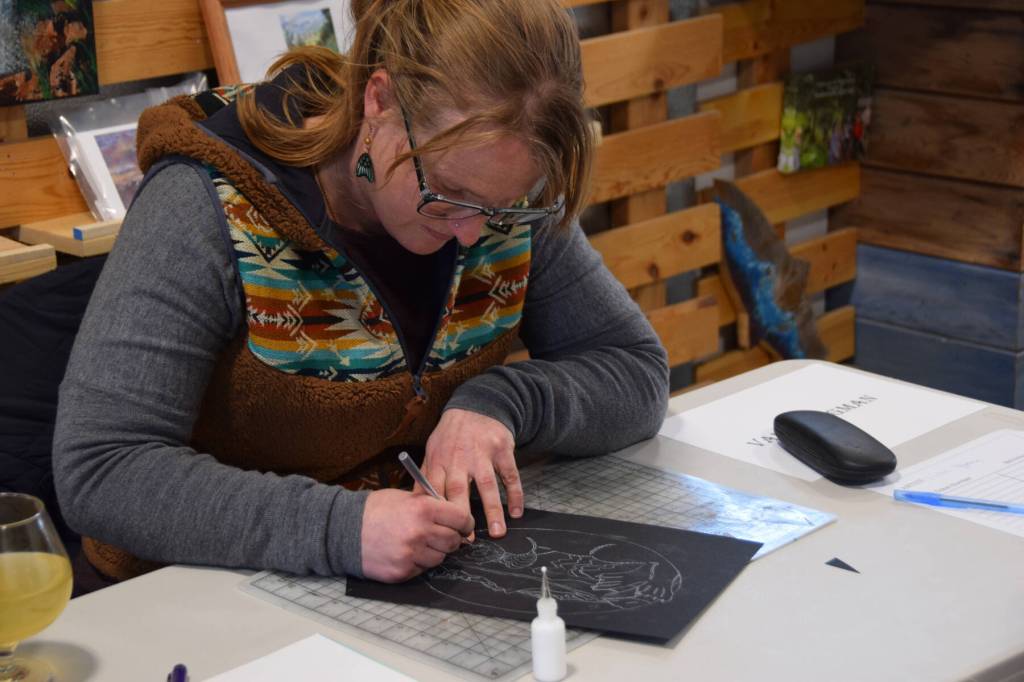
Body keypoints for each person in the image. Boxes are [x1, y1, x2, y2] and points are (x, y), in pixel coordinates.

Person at [53, 0, 669, 585]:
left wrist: (502, 401)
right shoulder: (205, 204)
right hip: (196, 600)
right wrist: (337, 528)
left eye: (503, 208)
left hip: (410, 582)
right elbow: (102, 469)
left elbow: (636, 372)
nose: (473, 231)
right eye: (448, 193)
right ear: (380, 101)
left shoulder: (500, 197)